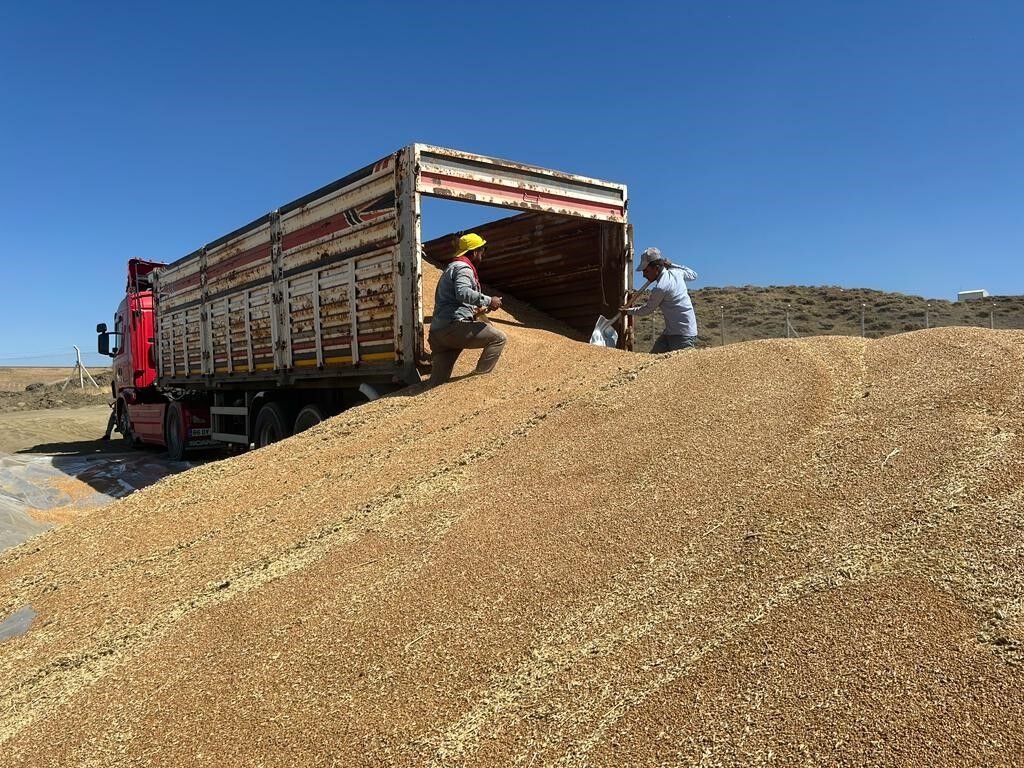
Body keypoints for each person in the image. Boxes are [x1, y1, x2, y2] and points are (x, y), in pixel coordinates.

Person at [428, 233, 506, 387]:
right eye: (482, 250)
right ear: (475, 252)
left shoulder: (451, 268)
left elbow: (454, 299)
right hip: (453, 328)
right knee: (498, 338)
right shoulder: (464, 268)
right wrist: (490, 300)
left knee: (437, 384)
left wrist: (475, 312)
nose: (483, 254)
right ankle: (478, 383)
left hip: (439, 333)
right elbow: (463, 292)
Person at [622, 247, 699, 352]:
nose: (644, 275)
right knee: (652, 360)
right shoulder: (677, 272)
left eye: (646, 271)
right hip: (670, 332)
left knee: (678, 366)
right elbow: (693, 274)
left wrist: (627, 312)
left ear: (656, 268)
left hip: (682, 335)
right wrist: (672, 265)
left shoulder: (661, 288)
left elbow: (647, 310)